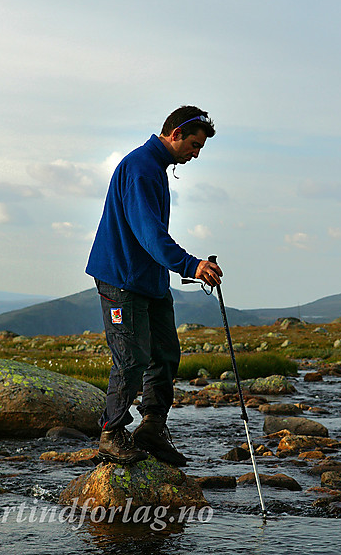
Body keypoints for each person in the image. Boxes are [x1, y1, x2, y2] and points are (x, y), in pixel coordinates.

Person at [85, 105, 222, 466]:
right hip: (122, 279)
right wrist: (192, 265)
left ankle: (150, 429)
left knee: (164, 355)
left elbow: (151, 237)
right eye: (194, 145)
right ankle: (111, 435)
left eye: (200, 148)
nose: (195, 154)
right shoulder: (142, 169)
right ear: (175, 133)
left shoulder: (156, 168)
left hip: (150, 280)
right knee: (132, 359)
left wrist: (182, 268)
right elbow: (150, 235)